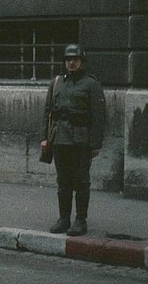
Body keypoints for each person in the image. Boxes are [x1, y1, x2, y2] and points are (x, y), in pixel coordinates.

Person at [44, 44, 105, 237]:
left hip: (81, 140)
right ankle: (64, 218)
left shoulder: (91, 84)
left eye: (75, 59)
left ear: (81, 62)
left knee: (81, 181)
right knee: (63, 182)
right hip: (60, 139)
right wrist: (45, 138)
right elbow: (48, 113)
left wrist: (95, 144)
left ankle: (80, 220)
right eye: (68, 59)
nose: (71, 63)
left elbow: (99, 116)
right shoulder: (56, 83)